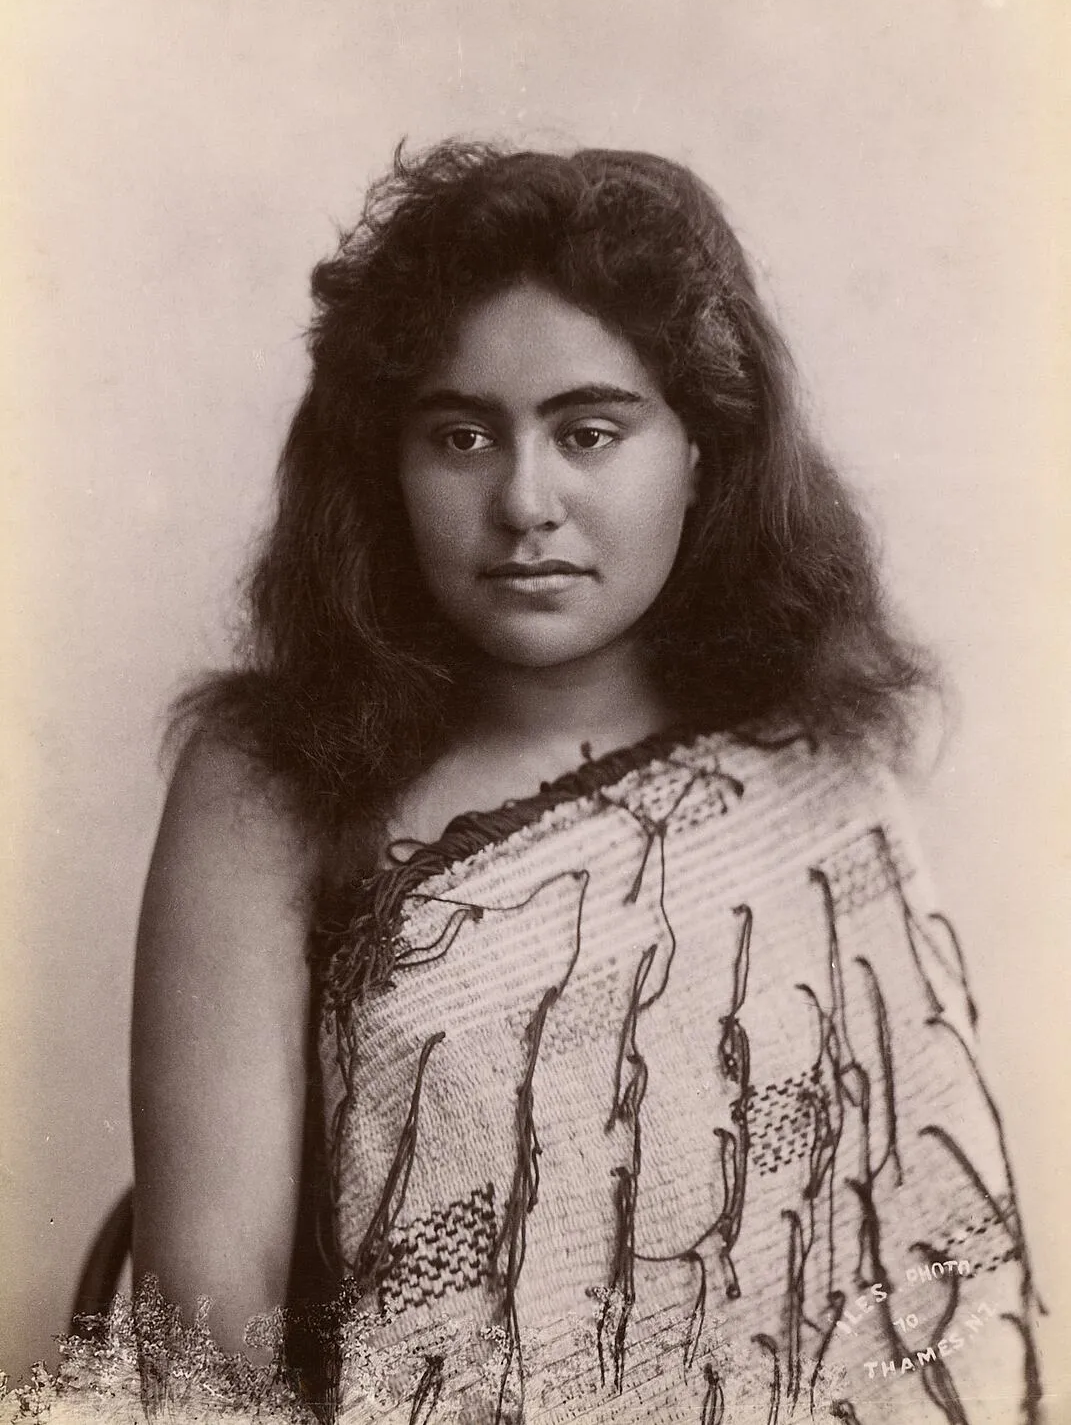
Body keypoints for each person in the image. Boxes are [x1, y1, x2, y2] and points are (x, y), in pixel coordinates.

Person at [129, 141, 1042, 1423]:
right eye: (460, 436)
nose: (525, 501)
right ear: (385, 468)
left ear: (703, 452)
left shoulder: (810, 763)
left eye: (590, 431)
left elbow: (930, 1263)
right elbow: (198, 1348)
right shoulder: (269, 788)